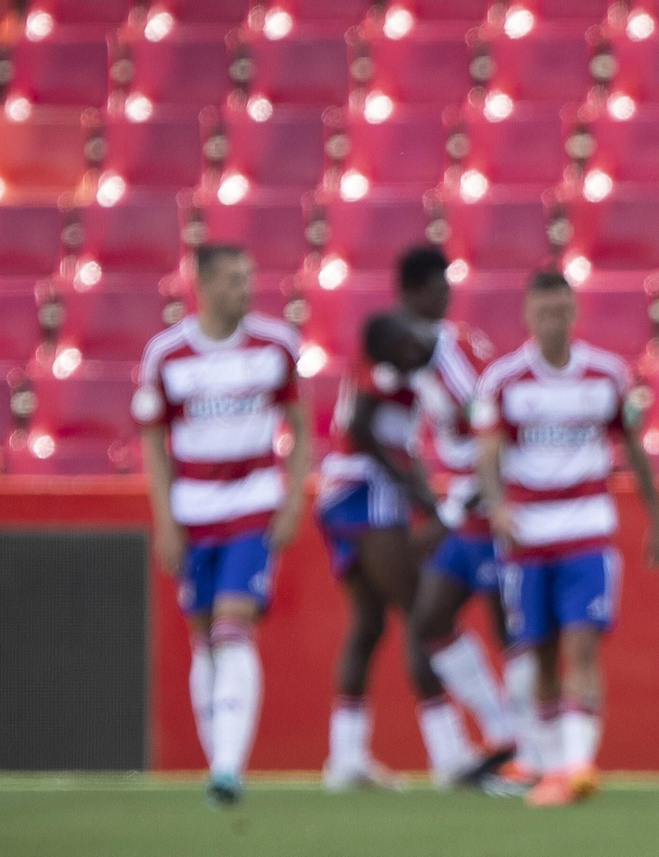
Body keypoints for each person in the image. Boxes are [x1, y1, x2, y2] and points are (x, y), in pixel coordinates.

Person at [472, 270, 659, 807]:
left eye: (561, 312)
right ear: (527, 317)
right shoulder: (504, 380)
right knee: (538, 654)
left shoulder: (605, 375)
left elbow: (632, 448)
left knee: (582, 646)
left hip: (587, 530)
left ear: (574, 313)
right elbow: (488, 452)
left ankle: (577, 764)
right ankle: (550, 762)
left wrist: (657, 515)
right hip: (528, 538)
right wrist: (497, 508)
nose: (553, 322)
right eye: (543, 313)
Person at [134, 244, 312, 806]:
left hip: (252, 503)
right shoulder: (166, 354)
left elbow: (303, 427)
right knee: (204, 637)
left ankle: (229, 765)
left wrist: (291, 501)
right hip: (192, 511)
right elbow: (154, 443)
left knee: (235, 624)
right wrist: (163, 517)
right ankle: (221, 762)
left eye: (248, 277)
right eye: (234, 280)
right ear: (203, 286)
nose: (245, 289)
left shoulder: (277, 345)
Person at [316, 309, 479, 790]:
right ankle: (449, 753)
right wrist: (412, 488)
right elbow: (363, 426)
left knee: (366, 624)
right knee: (418, 611)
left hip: (340, 493)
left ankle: (345, 757)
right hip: (365, 495)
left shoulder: (383, 356)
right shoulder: (385, 363)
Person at [399, 246, 524, 782]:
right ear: (414, 293)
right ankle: (504, 730)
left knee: (509, 628)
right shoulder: (413, 354)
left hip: (488, 504)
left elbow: (495, 441)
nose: (448, 297)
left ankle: (527, 749)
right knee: (429, 620)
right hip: (462, 507)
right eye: (439, 287)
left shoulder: (456, 354)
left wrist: (449, 512)